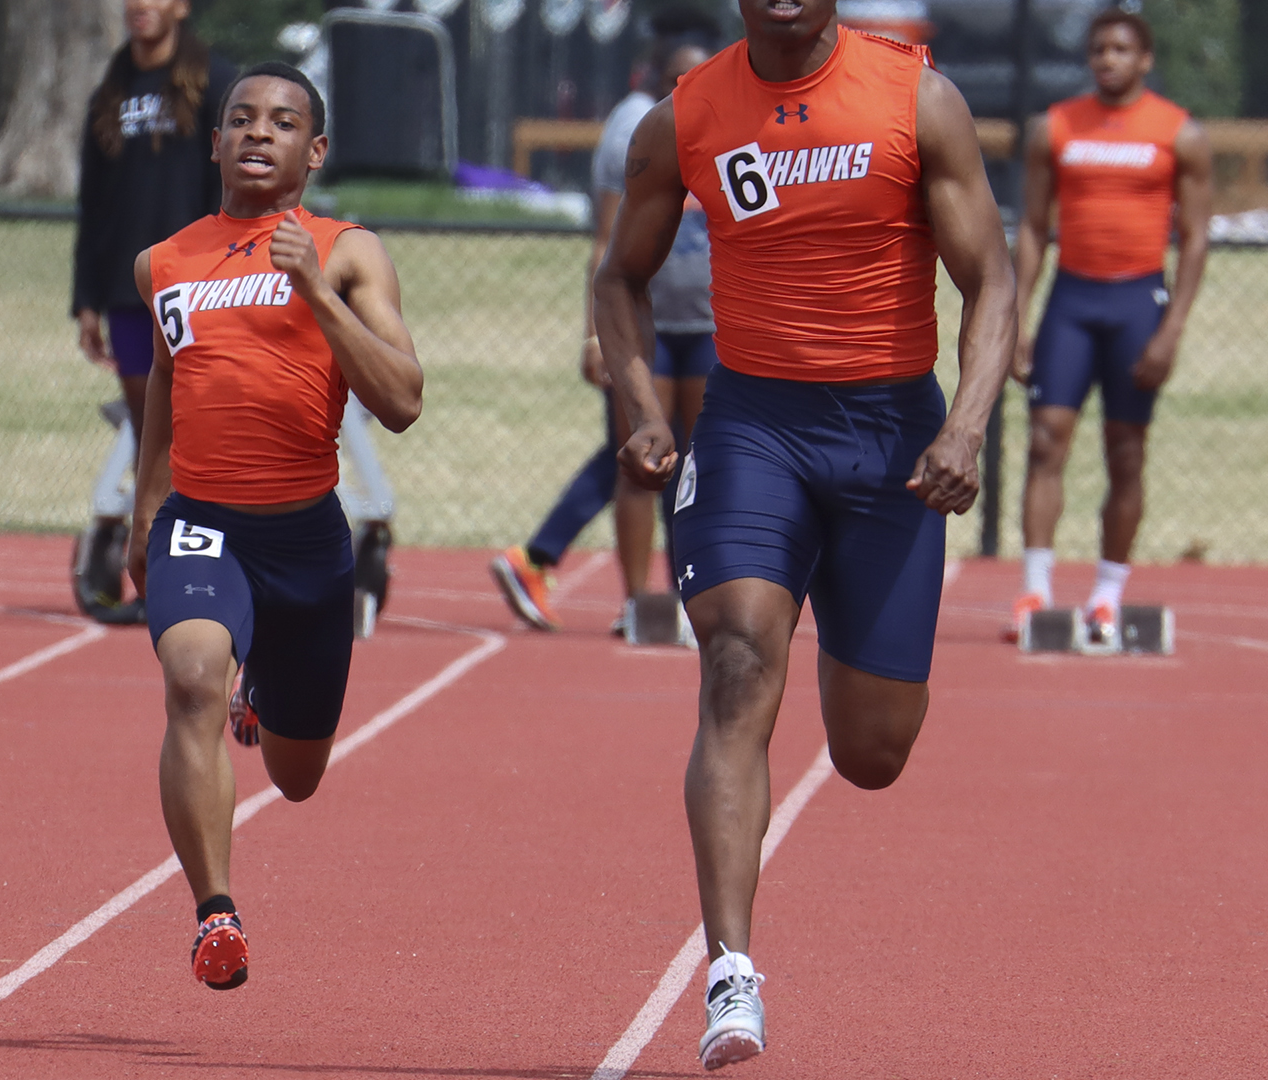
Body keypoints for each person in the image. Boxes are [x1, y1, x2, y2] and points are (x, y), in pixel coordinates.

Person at [593, 0, 1014, 1067]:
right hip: (752, 429)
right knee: (735, 659)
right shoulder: (683, 117)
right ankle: (731, 972)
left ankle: (842, 618)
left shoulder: (917, 97)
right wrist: (646, 406)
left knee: (871, 752)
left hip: (891, 436)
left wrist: (964, 425)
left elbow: (992, 278)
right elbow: (618, 276)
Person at [125, 62, 422, 991]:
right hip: (202, 522)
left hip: (305, 541)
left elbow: (404, 399)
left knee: (297, 776)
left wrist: (319, 294)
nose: (259, 133)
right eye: (241, 119)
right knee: (190, 682)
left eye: (283, 122)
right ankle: (216, 914)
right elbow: (170, 380)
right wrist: (144, 509)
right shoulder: (162, 263)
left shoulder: (346, 249)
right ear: (214, 142)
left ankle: (268, 695)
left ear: (314, 149)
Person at [491, 39, 716, 633]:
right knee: (642, 457)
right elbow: (606, 243)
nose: (687, 87)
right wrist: (595, 335)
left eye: (700, 75)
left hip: (712, 322)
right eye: (677, 77)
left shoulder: (727, 125)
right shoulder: (635, 130)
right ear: (654, 77)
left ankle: (681, 593)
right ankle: (638, 601)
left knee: (696, 460)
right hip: (650, 323)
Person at [1009, 9, 1211, 642]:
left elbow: (1197, 237)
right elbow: (1036, 228)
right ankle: (1036, 590)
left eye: (1121, 49)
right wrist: (1018, 320)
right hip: (1072, 300)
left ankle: (1105, 595)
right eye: (1098, 49)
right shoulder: (1055, 127)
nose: (1108, 59)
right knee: (1046, 441)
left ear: (1145, 59)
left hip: (1137, 303)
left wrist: (1171, 329)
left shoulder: (1179, 133)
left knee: (1126, 453)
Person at [74, 0, 238, 442]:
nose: (140, 4)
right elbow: (93, 204)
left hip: (199, 282)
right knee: (148, 429)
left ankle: (204, 513)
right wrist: (86, 300)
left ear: (181, 7)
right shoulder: (111, 91)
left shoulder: (215, 82)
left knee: (200, 419)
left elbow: (231, 189)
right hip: (128, 284)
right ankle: (152, 515)